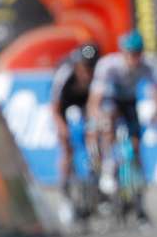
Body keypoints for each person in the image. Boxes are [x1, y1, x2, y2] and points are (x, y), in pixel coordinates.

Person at [87, 30, 156, 222]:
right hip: (110, 99)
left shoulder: (148, 65)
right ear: (122, 52)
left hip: (130, 101)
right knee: (107, 122)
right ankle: (108, 165)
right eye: (130, 53)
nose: (134, 58)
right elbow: (95, 100)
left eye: (137, 53)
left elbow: (154, 92)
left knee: (135, 146)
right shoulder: (108, 65)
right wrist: (98, 118)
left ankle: (139, 200)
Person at [50, 42, 99, 198]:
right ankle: (64, 186)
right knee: (66, 147)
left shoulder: (98, 75)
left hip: (87, 103)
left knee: (95, 138)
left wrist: (94, 126)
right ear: (77, 65)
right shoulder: (64, 74)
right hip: (65, 104)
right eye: (84, 67)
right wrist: (62, 127)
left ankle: (96, 180)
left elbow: (96, 105)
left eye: (91, 68)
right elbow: (54, 108)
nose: (87, 73)